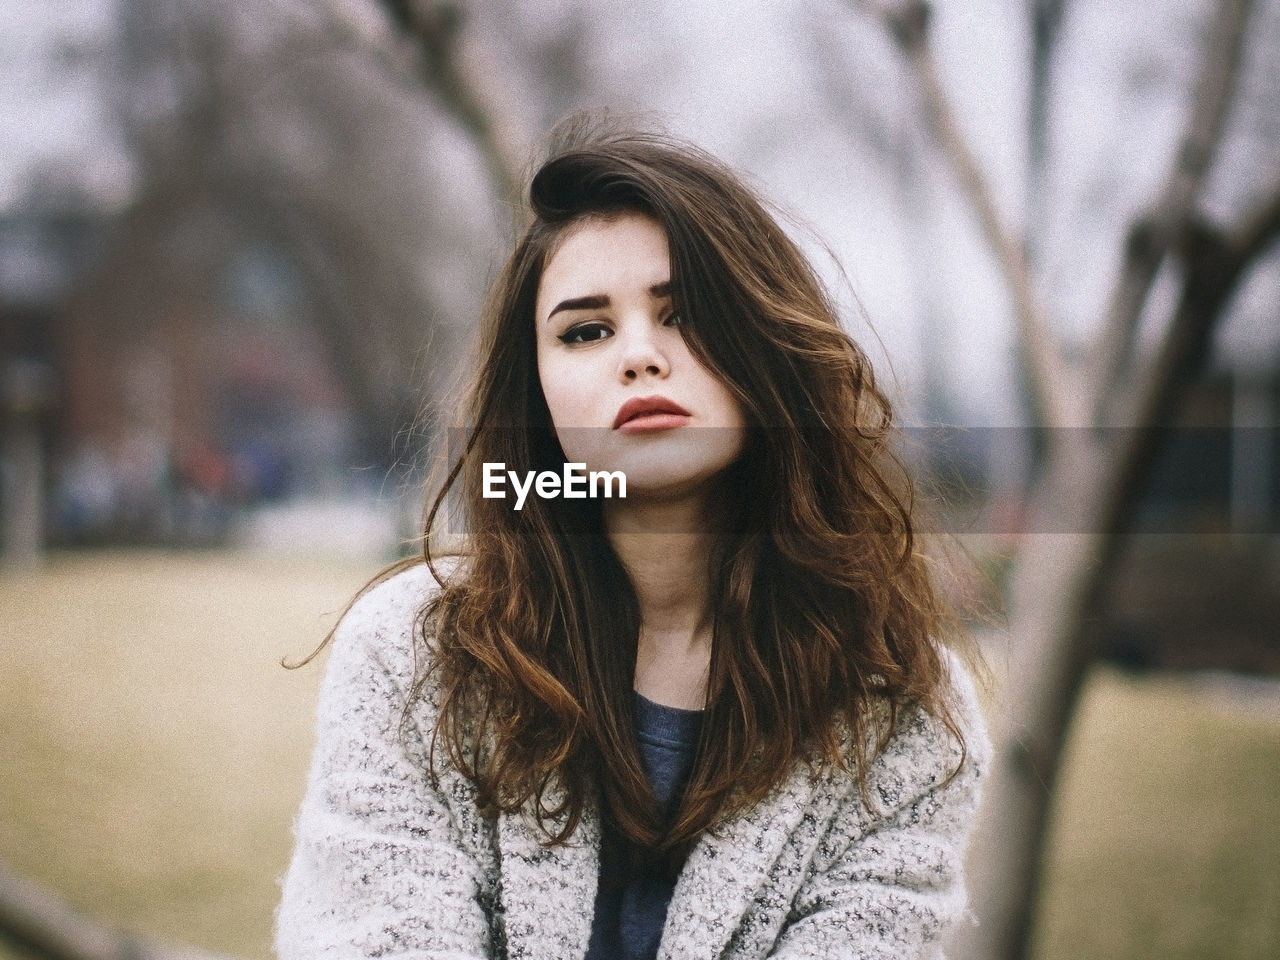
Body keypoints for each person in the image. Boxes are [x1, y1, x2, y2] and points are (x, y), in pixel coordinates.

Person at [276, 121, 989, 960]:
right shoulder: (416, 657)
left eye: (684, 315)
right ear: (534, 393)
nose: (641, 357)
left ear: (768, 341)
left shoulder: (896, 709)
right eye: (586, 331)